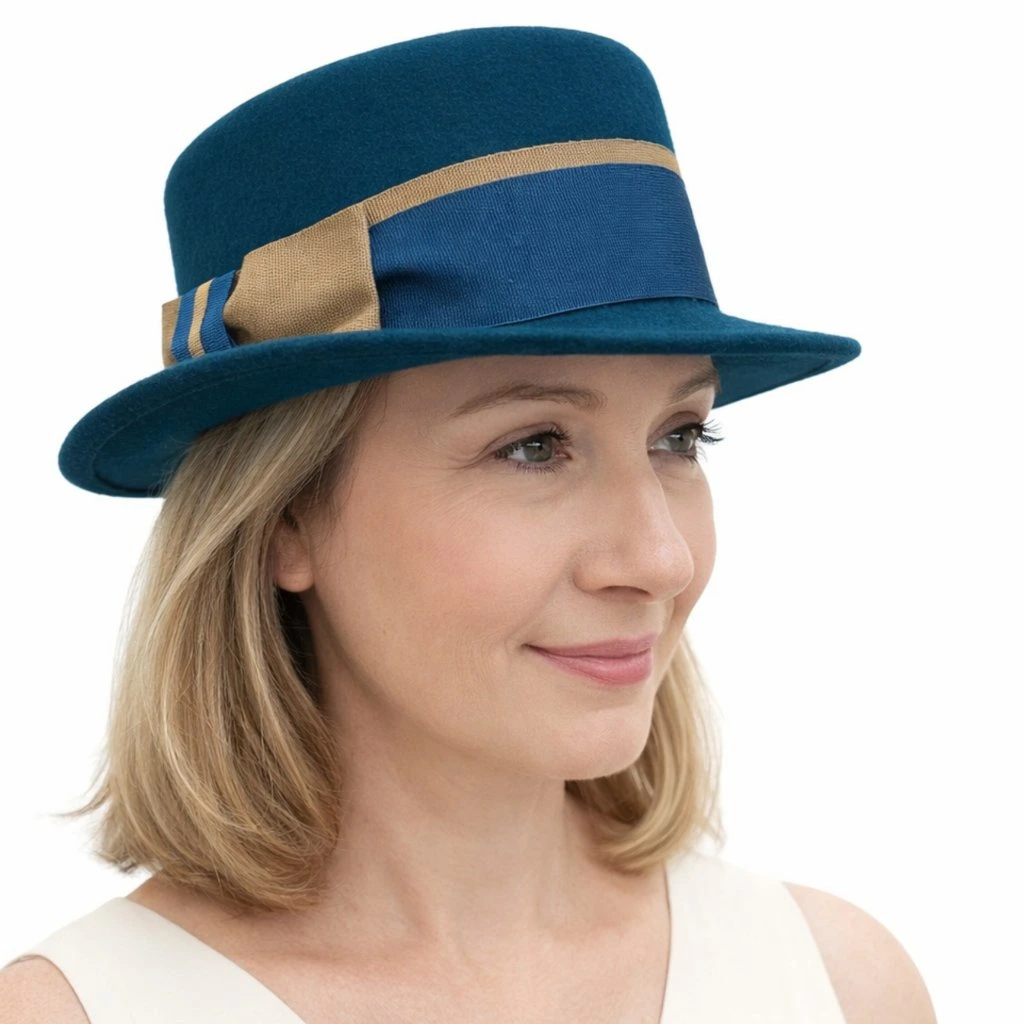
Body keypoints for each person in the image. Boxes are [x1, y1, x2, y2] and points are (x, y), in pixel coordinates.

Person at [0, 25, 936, 1024]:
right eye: (534, 446)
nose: (659, 558)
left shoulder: (841, 985)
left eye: (679, 436)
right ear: (282, 519)